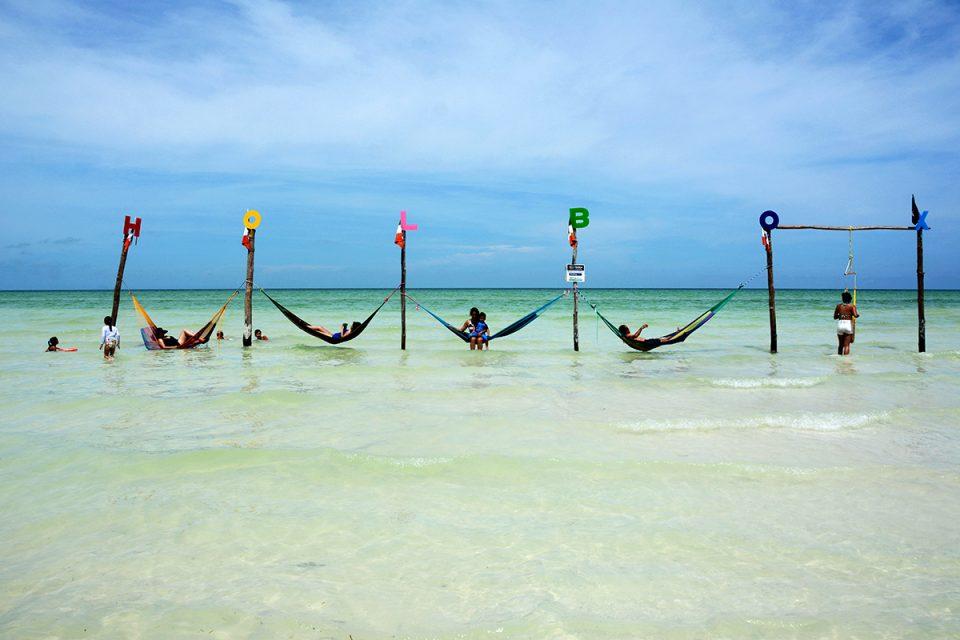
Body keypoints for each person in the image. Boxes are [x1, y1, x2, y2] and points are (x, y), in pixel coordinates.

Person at [834, 290, 860, 356]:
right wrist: (857, 315)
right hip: (848, 325)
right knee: (847, 345)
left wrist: (841, 315)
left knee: (840, 345)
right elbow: (855, 315)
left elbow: (835, 317)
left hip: (840, 324)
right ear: (850, 299)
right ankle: (845, 361)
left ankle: (839, 358)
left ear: (842, 299)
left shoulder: (838, 306)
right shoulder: (852, 306)